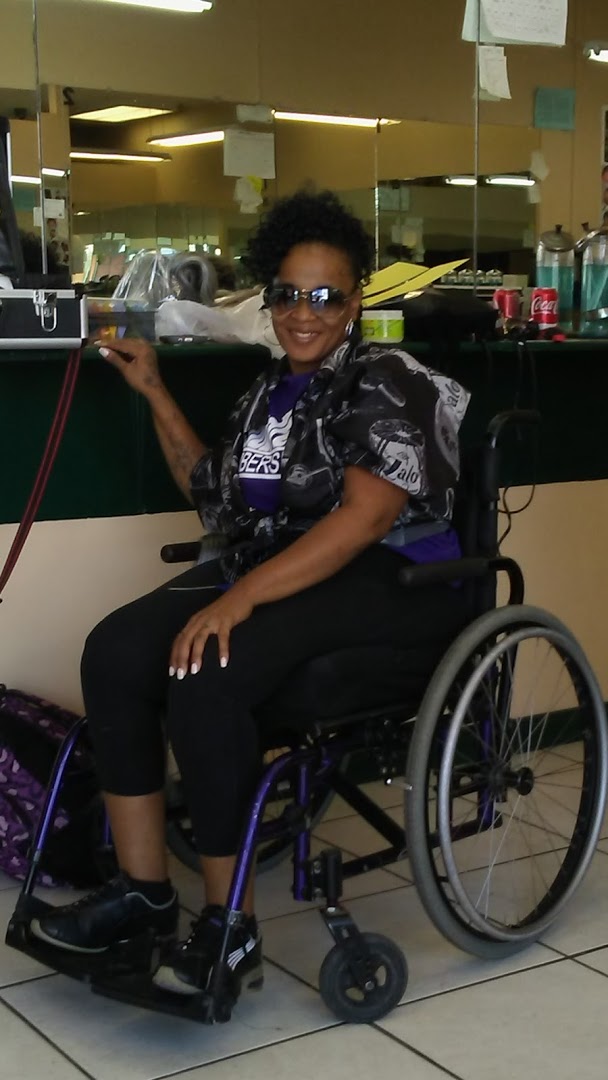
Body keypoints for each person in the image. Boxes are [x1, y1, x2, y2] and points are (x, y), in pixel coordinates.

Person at [29, 189, 470, 998]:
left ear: (355, 300)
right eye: (289, 294)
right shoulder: (266, 394)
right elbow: (214, 496)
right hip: (285, 565)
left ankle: (230, 932)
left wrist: (239, 600)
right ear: (269, 299)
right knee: (116, 649)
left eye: (325, 295)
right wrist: (155, 390)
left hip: (395, 578)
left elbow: (366, 518)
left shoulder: (386, 377)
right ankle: (143, 896)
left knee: (208, 668)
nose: (304, 312)